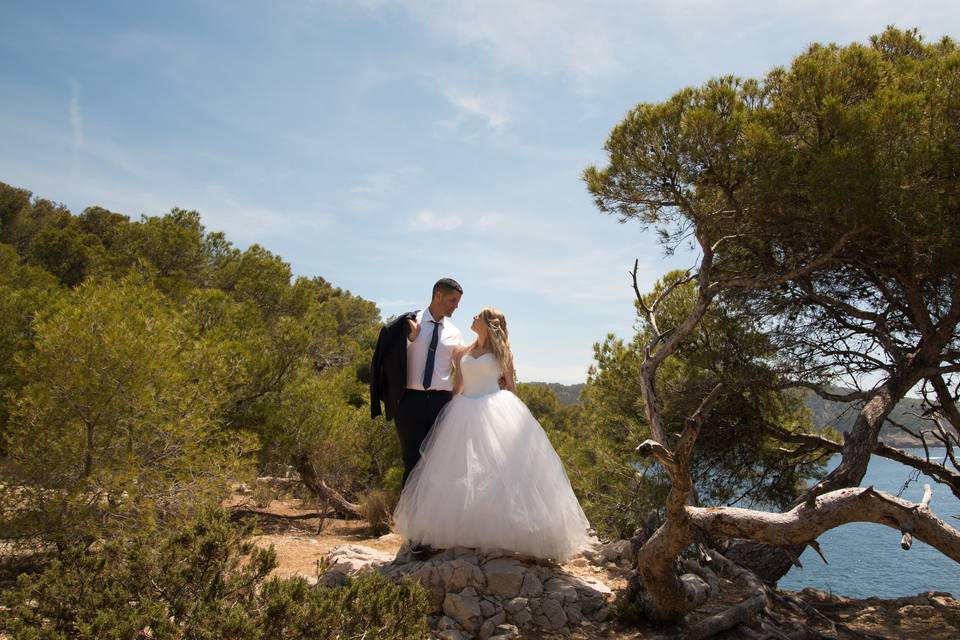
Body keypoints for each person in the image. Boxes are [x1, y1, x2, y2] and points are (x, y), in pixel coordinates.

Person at [393, 307, 592, 562]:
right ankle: (462, 532)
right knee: (461, 473)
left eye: (478, 315)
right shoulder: (464, 350)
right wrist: (444, 410)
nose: (473, 317)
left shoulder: (503, 352)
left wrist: (514, 416)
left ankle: (505, 533)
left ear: (488, 323)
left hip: (494, 408)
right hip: (463, 410)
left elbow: (510, 385)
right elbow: (458, 385)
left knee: (498, 474)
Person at [370, 278, 465, 485]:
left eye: (458, 302)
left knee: (438, 464)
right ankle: (406, 517)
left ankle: (432, 517)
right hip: (409, 403)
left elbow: (463, 369)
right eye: (453, 300)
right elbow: (388, 357)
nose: (456, 306)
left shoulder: (455, 333)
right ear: (438, 295)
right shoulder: (408, 324)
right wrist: (409, 339)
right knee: (412, 463)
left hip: (442, 404)